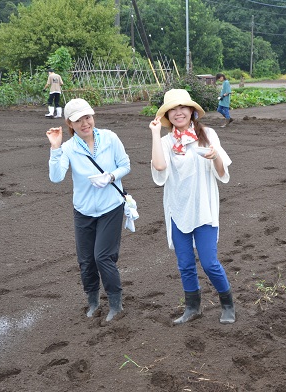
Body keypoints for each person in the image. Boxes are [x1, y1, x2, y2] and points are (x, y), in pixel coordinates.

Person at [148, 89, 235, 325]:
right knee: (185, 264)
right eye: (172, 110)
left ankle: (227, 304)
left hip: (203, 208)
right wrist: (155, 134)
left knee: (209, 262)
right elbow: (159, 167)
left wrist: (215, 155)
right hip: (178, 209)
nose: (178, 113)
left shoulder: (207, 135)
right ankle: (192, 307)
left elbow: (221, 172)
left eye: (182, 108)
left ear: (192, 111)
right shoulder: (166, 142)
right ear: (167, 116)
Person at [46, 98, 130, 322]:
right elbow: (56, 178)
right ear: (69, 124)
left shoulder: (110, 138)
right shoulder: (69, 148)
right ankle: (93, 302)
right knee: (86, 260)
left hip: (111, 206)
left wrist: (110, 176)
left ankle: (115, 303)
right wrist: (55, 148)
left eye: (88, 117)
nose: (85, 123)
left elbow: (125, 164)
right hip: (83, 210)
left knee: (103, 256)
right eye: (78, 120)